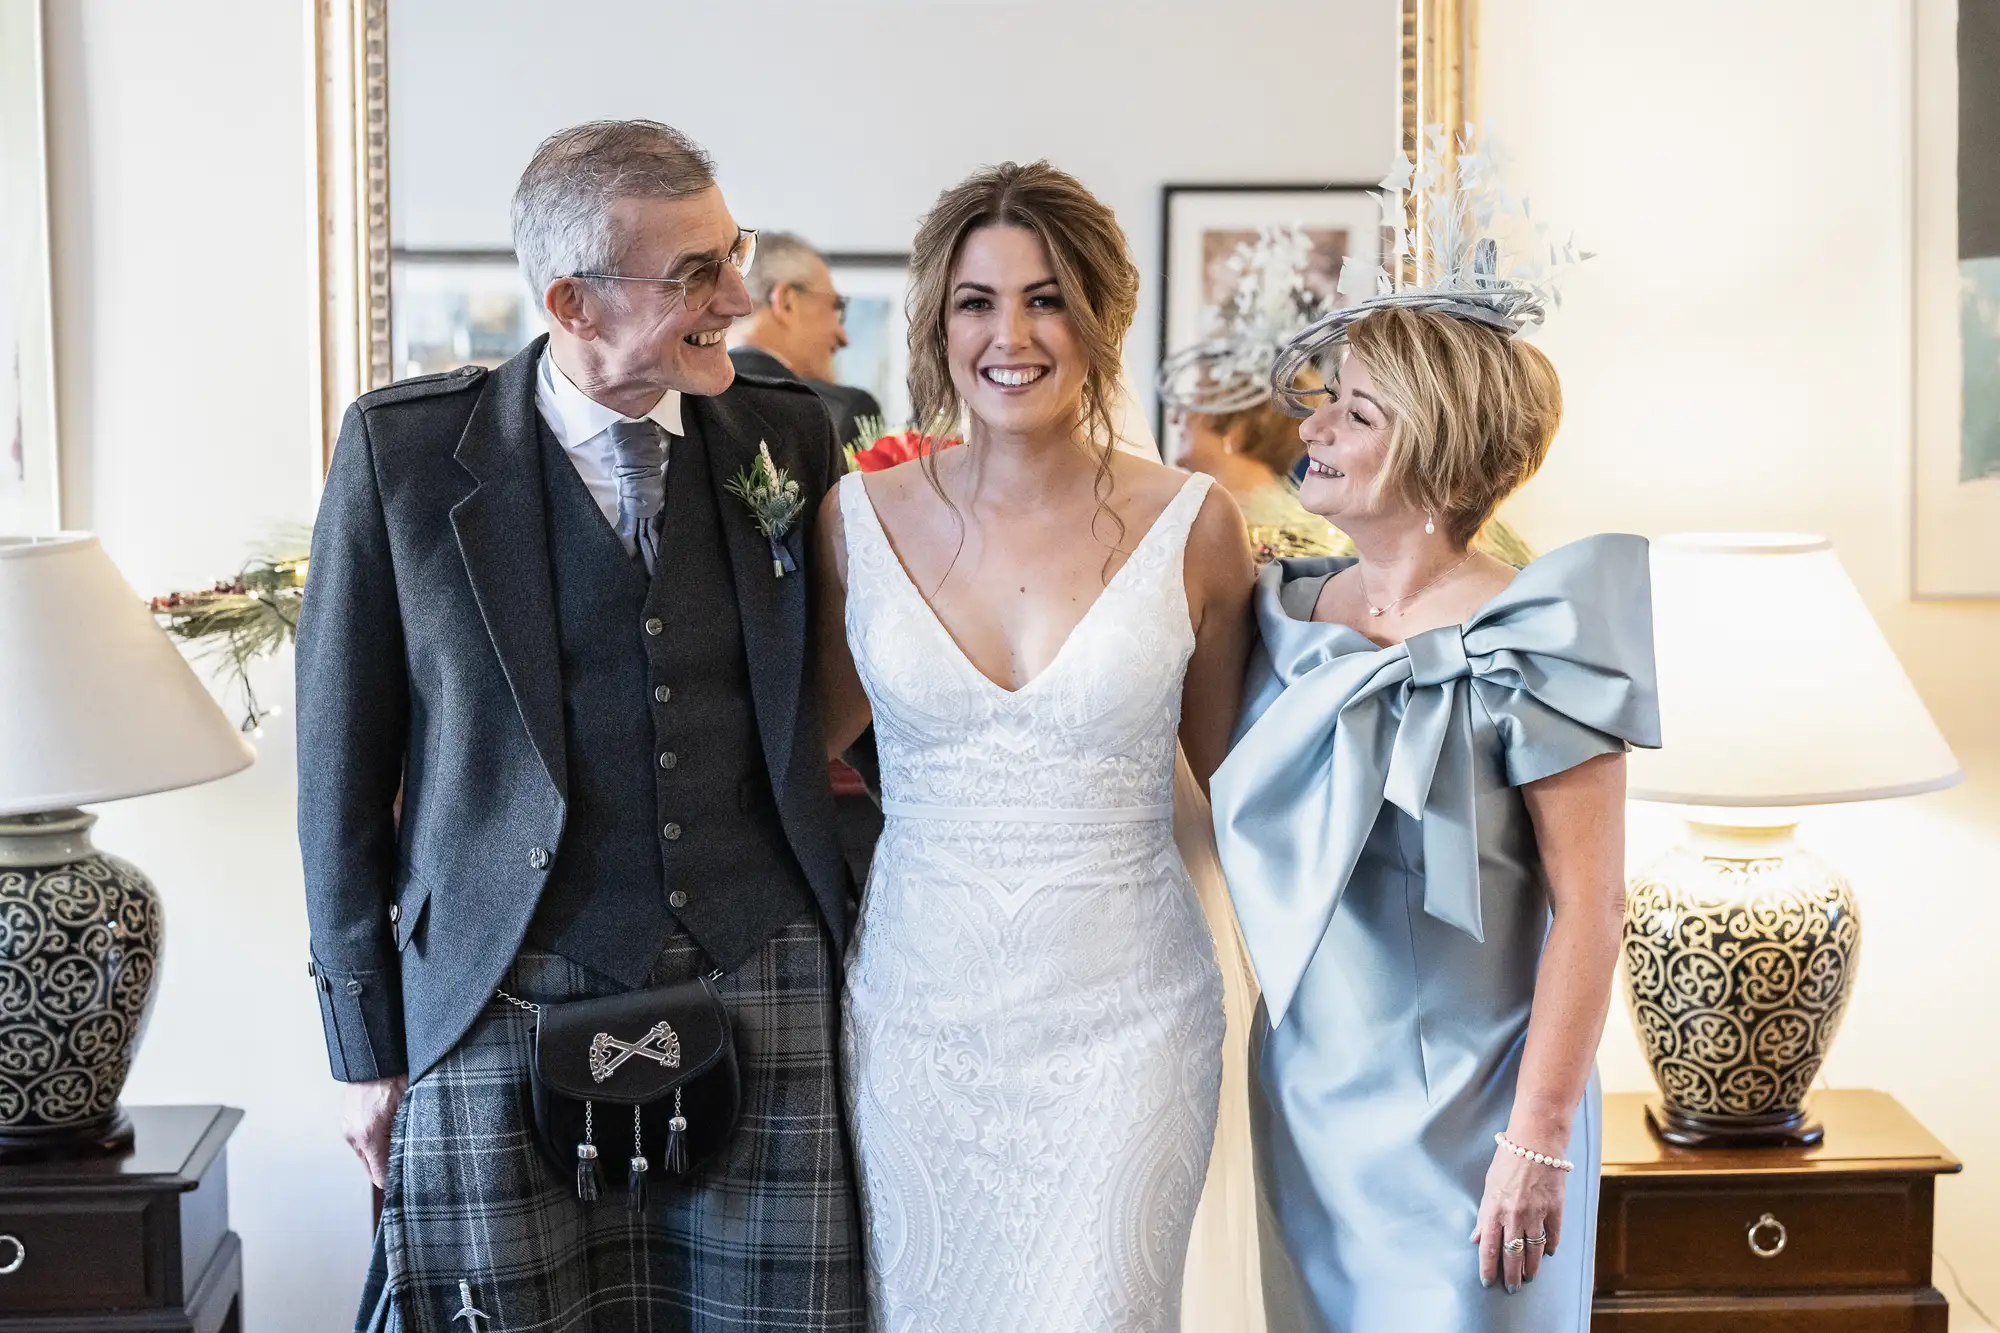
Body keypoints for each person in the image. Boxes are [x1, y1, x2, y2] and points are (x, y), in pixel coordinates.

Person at [297, 120, 864, 1332]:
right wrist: (361, 1044)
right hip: (499, 978)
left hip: (764, 955)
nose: (740, 294)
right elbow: (340, 762)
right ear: (570, 300)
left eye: (734, 252)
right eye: (696, 274)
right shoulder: (404, 454)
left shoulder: (791, 432)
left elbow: (859, 690)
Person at [812, 160, 1255, 1330]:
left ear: (1101, 315)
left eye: (1045, 297)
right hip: (918, 1026)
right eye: (976, 301)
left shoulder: (1194, 526)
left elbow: (1245, 789)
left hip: (1129, 1030)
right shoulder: (853, 521)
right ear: (937, 324)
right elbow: (793, 752)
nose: (1011, 333)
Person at [1210, 282, 1660, 1326]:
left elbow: (1591, 909)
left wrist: (1536, 1136)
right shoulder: (1273, 611)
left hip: (1484, 1121)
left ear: (1437, 457)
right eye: (1327, 398)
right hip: (1305, 1101)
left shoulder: (1537, 639)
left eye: (1355, 413)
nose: (1310, 426)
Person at [731, 231, 883, 450]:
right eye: (835, 308)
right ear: (786, 302)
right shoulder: (842, 411)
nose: (844, 337)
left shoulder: (680, 402)